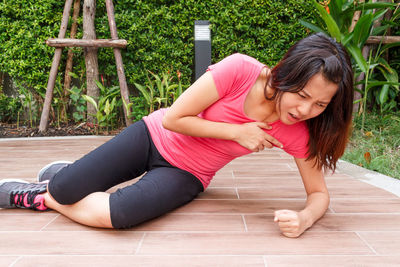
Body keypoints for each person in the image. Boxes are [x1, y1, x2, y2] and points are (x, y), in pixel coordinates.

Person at [0, 33, 353, 238]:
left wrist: (304, 219)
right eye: (303, 96)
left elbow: (319, 194)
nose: (306, 110)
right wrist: (238, 132)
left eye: (320, 105)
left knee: (120, 215)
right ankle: (63, 181)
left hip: (188, 173)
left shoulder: (297, 130)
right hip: (152, 137)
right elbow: (174, 119)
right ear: (287, 74)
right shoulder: (240, 70)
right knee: (66, 188)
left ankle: (37, 195)